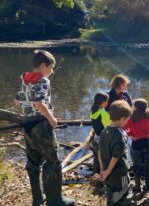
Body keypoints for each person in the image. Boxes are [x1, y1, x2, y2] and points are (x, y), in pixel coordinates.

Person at [14, 50, 75, 206]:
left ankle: (38, 198)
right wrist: (51, 118)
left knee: (33, 164)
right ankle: (55, 200)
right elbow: (39, 102)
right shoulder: (43, 81)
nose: (52, 71)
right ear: (43, 65)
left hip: (27, 124)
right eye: (51, 67)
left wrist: (27, 104)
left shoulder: (24, 79)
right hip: (41, 125)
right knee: (53, 161)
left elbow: (16, 100)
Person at [98, 100, 132, 205]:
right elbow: (116, 156)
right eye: (127, 119)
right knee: (123, 192)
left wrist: (102, 169)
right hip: (119, 172)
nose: (127, 122)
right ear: (122, 119)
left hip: (108, 172)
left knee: (111, 192)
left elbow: (99, 151)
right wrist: (107, 171)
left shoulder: (104, 131)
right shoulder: (121, 134)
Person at [123, 98, 149, 193]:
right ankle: (147, 186)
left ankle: (137, 186)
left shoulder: (131, 118)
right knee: (148, 166)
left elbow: (123, 129)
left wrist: (131, 134)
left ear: (135, 107)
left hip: (136, 144)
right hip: (146, 143)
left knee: (136, 166)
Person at [90, 92, 110, 175]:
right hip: (103, 139)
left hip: (96, 137)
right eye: (107, 101)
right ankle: (104, 175)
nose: (108, 103)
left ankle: (95, 175)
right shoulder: (103, 113)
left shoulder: (93, 112)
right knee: (103, 159)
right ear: (102, 103)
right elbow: (108, 127)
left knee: (96, 158)